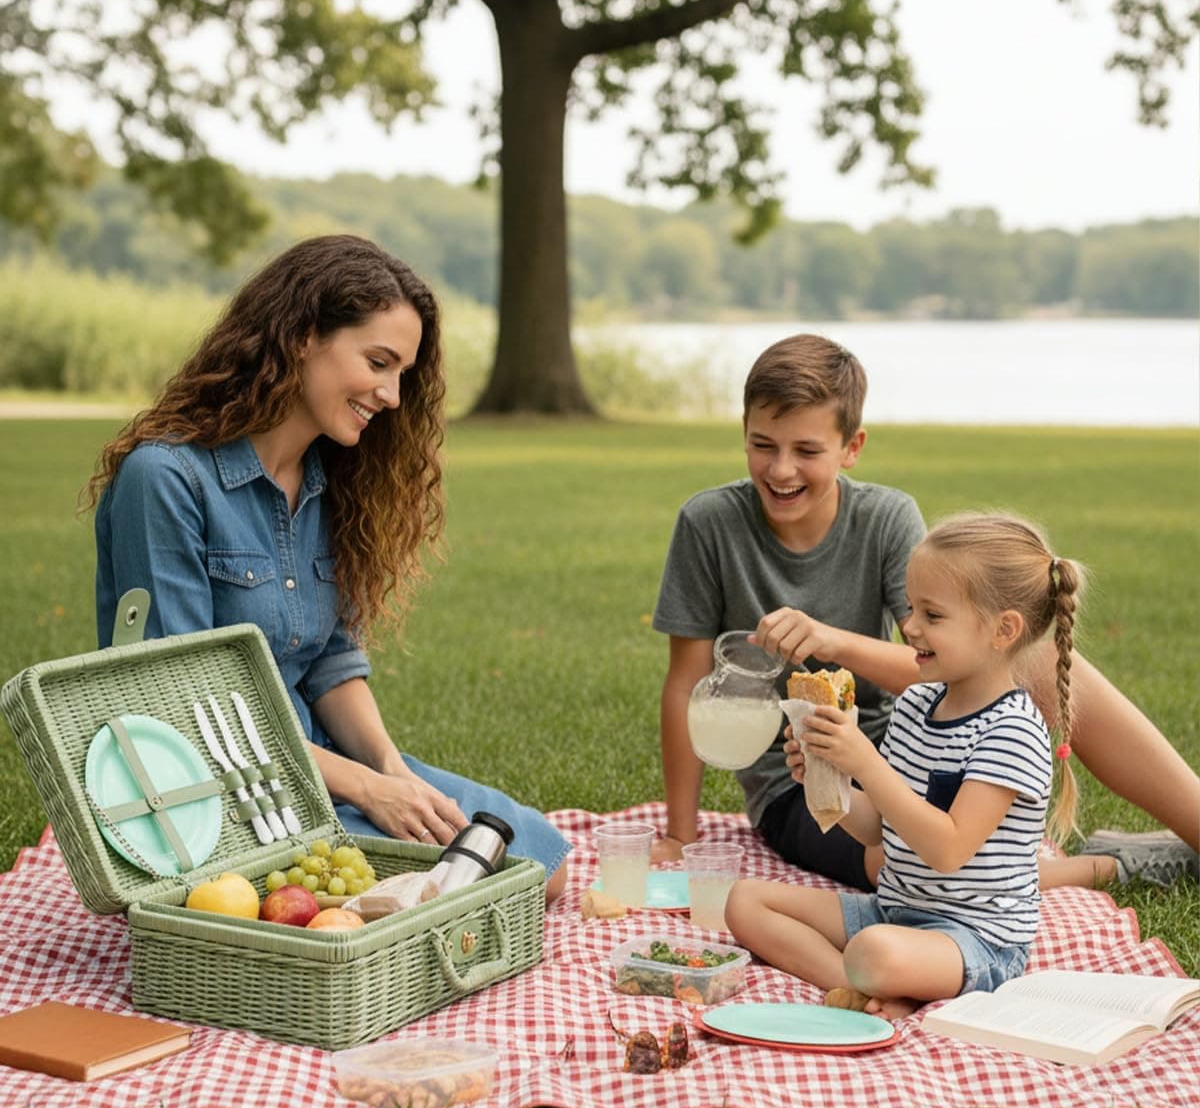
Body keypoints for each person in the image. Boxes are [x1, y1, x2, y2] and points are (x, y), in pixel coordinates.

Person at [87, 234, 571, 899]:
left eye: (402, 373)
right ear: (302, 338)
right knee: (457, 890)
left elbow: (330, 665)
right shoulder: (166, 479)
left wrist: (392, 772)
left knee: (540, 862)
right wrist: (365, 790)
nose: (393, 395)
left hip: (319, 765)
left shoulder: (329, 480)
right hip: (219, 793)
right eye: (378, 362)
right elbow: (182, 706)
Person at [652, 334, 1198, 890]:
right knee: (898, 864)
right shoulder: (708, 523)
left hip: (909, 746)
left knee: (1041, 661)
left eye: (807, 451)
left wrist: (830, 641)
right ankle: (1110, 865)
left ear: (851, 447)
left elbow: (942, 662)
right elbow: (686, 684)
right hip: (800, 779)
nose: (782, 469)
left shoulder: (886, 517)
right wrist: (678, 834)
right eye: (763, 445)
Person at [725, 513, 1078, 1018]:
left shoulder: (1012, 731)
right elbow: (878, 831)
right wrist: (826, 779)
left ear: (1004, 630)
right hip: (892, 910)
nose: (908, 627)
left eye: (932, 615)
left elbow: (948, 849)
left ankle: (874, 977)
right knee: (744, 901)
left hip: (974, 939)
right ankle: (859, 989)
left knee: (875, 951)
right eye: (911, 608)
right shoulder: (915, 704)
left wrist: (867, 764)